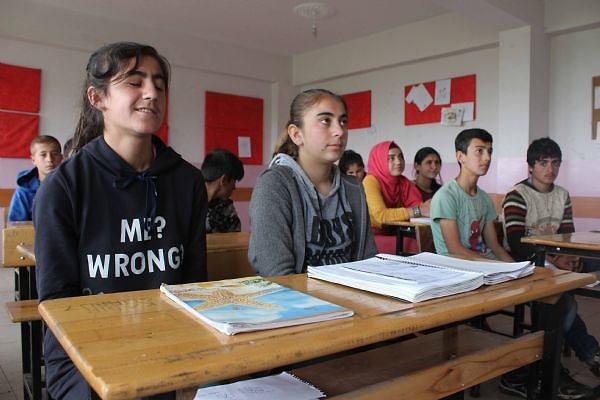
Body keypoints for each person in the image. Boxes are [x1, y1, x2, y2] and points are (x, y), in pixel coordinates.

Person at [33, 42, 208, 400]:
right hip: (88, 357)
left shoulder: (187, 181)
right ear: (98, 99)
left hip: (172, 350)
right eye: (134, 81)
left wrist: (193, 368)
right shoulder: (64, 187)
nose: (151, 93)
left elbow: (194, 284)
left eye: (159, 84)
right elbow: (58, 307)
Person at [499, 137, 597, 399]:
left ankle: (581, 356)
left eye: (555, 163)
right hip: (524, 264)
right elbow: (517, 243)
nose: (549, 169)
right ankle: (550, 366)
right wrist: (556, 260)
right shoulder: (517, 196)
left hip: (554, 259)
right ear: (530, 166)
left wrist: (570, 256)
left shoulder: (562, 195)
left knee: (593, 263)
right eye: (543, 163)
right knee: (564, 304)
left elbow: (567, 235)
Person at [249, 88, 377, 276]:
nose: (339, 131)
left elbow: (368, 261)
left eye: (343, 121)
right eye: (325, 120)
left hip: (350, 297)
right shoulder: (274, 185)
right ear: (296, 134)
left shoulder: (353, 187)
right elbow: (278, 275)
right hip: (294, 300)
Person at [430, 128, 511, 261]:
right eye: (479, 151)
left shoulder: (484, 199)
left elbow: (495, 247)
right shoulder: (446, 196)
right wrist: (497, 267)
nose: (487, 158)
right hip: (460, 267)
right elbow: (455, 250)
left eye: (489, 151)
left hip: (486, 264)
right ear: (460, 156)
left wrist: (517, 269)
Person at [362, 140, 429, 254]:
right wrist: (418, 210)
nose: (398, 162)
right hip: (369, 237)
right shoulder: (370, 181)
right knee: (413, 244)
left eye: (400, 157)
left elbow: (420, 207)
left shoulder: (403, 182)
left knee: (429, 240)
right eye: (391, 158)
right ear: (379, 161)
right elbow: (380, 216)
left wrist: (429, 207)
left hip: (395, 232)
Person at [7, 135, 62, 221]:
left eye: (54, 154)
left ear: (61, 158)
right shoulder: (23, 192)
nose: (49, 159)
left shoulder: (70, 187)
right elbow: (16, 227)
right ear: (33, 160)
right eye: (43, 155)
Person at [201, 148, 244, 233]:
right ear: (223, 180)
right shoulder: (189, 203)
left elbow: (235, 239)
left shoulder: (226, 208)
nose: (234, 188)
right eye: (234, 181)